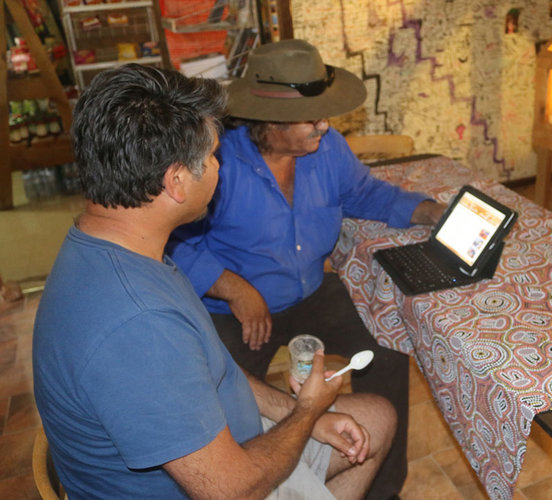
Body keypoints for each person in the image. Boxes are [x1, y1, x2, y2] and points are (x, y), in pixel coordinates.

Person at [32, 63, 395, 499]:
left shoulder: (121, 249)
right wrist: (308, 412)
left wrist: (301, 412)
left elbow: (214, 369)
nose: (219, 167)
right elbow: (232, 490)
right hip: (228, 481)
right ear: (176, 181)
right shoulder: (138, 323)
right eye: (211, 157)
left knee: (376, 417)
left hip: (222, 444)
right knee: (364, 427)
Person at [167, 39, 444, 498]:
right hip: (234, 310)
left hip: (311, 293)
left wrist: (428, 211)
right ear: (270, 123)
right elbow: (176, 241)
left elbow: (364, 193)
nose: (325, 125)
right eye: (311, 118)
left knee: (386, 344)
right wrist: (234, 288)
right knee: (223, 399)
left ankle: (383, 487)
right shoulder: (219, 163)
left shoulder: (327, 148)